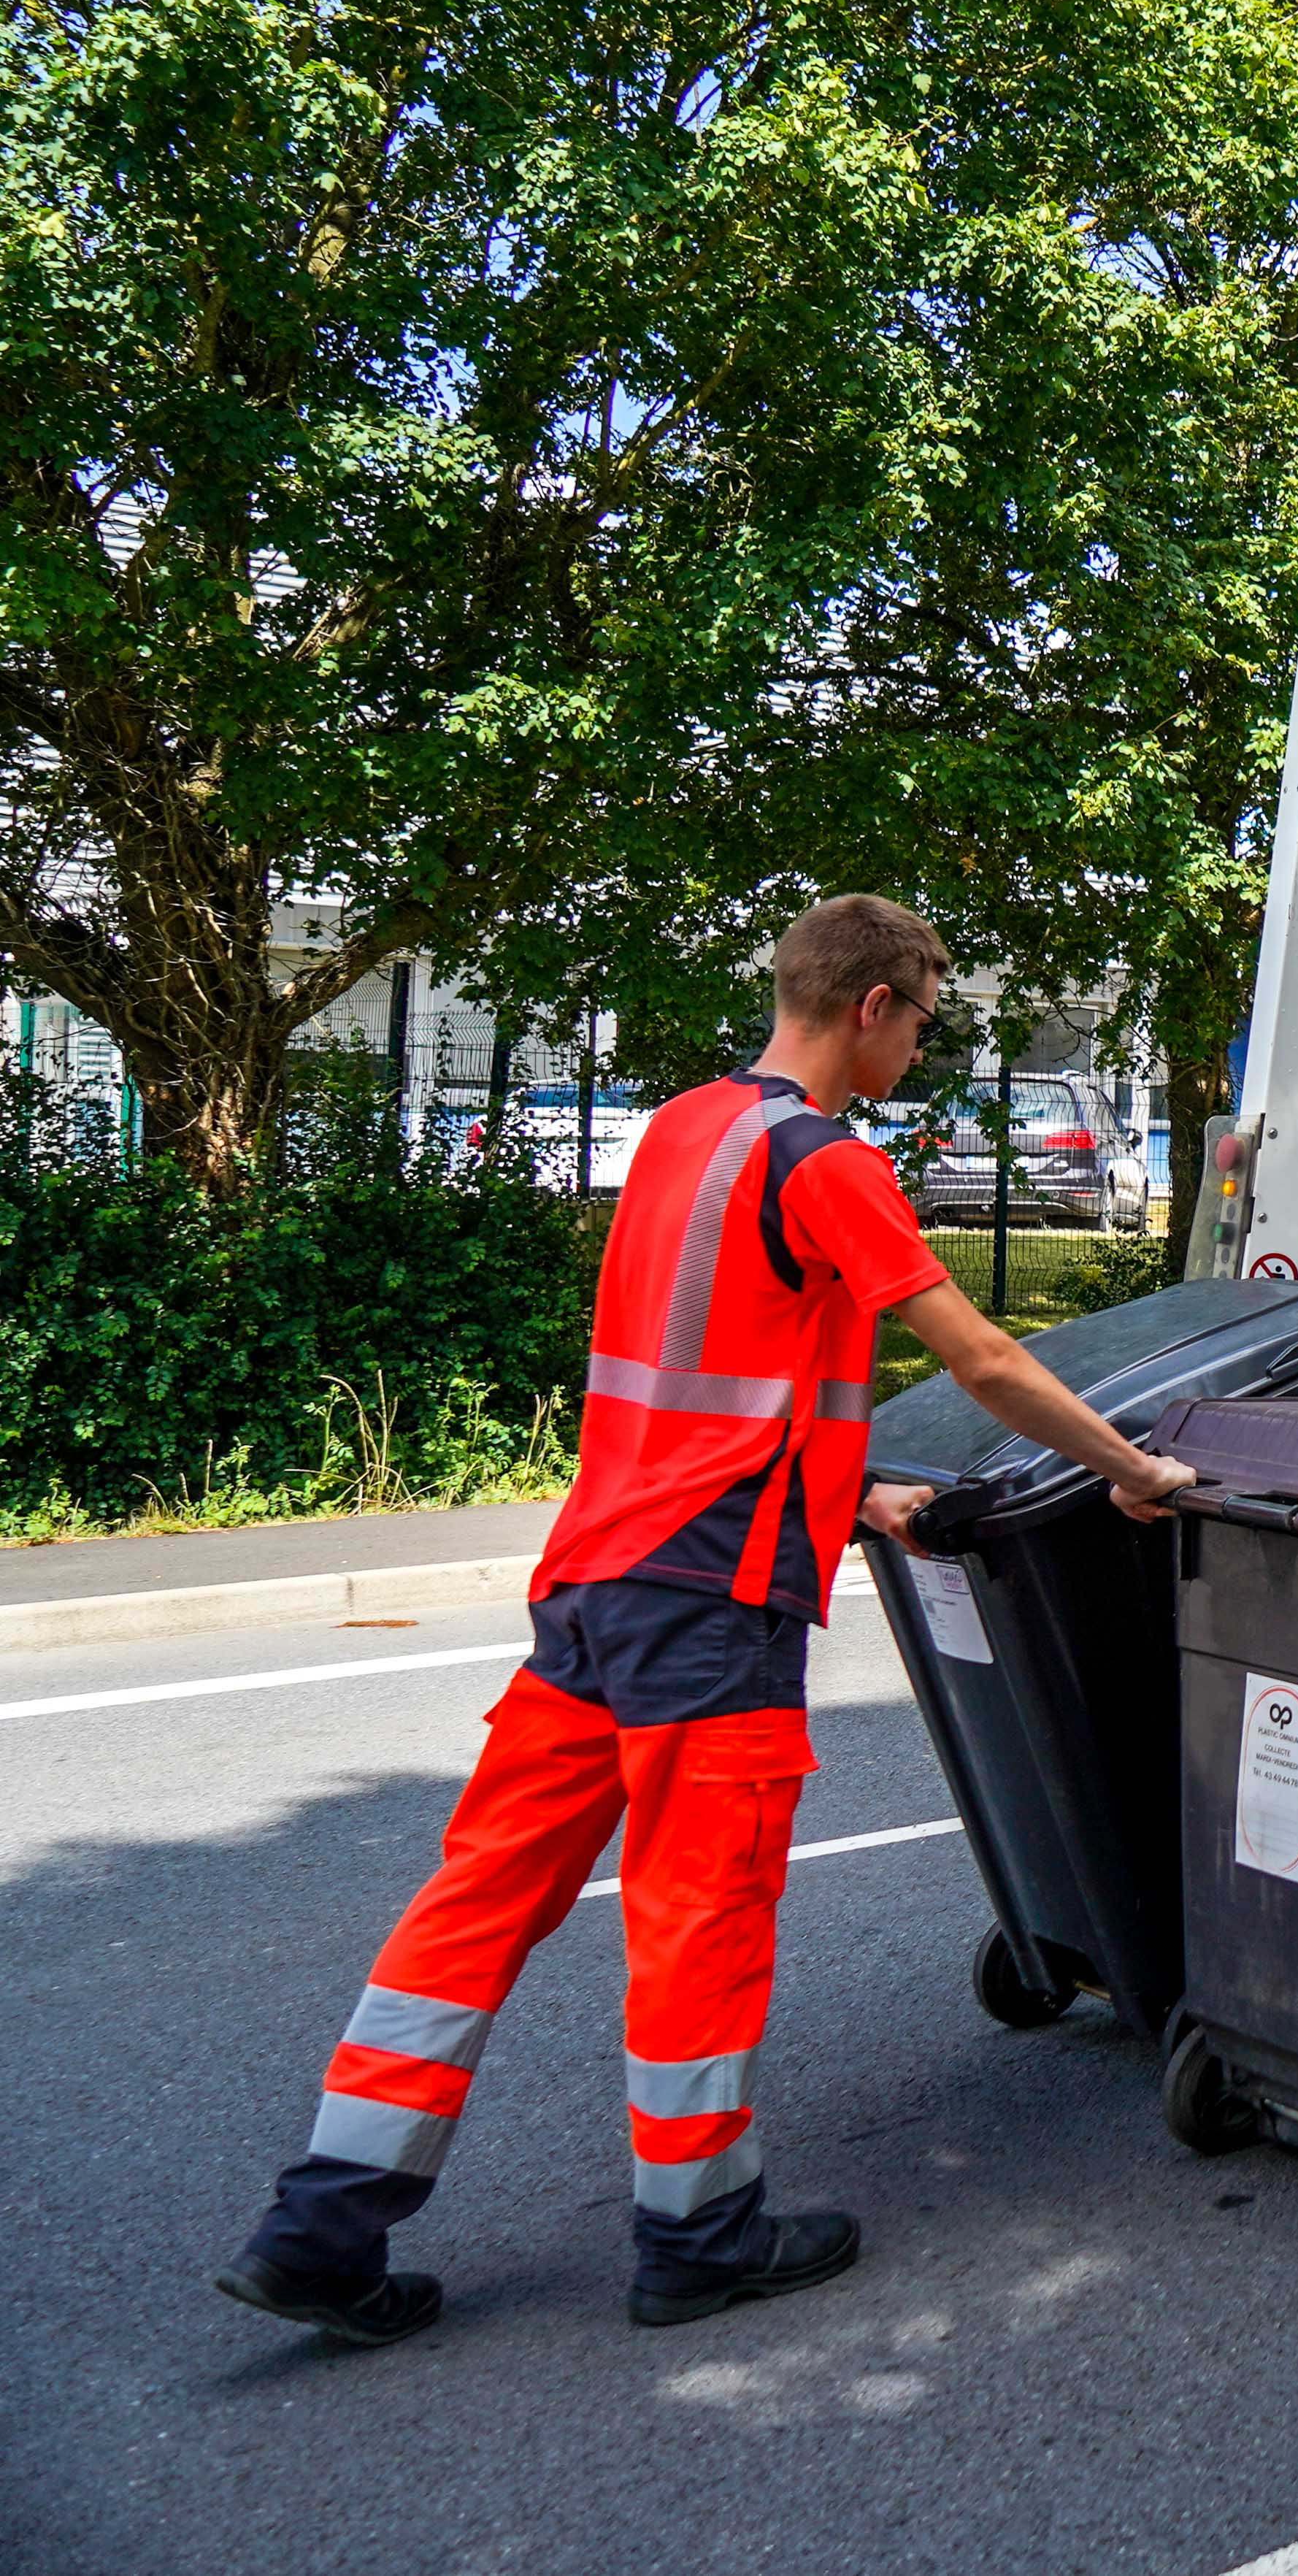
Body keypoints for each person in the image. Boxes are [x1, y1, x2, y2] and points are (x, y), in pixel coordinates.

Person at [218, 896, 1196, 2345]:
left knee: (478, 1897)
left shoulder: (684, 1130)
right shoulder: (826, 1161)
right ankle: (699, 2233)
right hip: (711, 1605)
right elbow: (985, 1360)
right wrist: (1133, 1471)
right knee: (700, 1915)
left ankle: (320, 2225)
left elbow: (713, 1372)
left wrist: (854, 1493)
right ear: (869, 1005)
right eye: (924, 1020)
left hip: (597, 1582)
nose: (922, 1049)